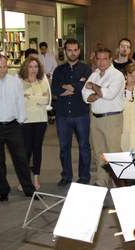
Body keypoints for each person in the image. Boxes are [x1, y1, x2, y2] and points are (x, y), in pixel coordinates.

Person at [0, 54, 36, 201]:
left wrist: (21, 120)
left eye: (5, 66)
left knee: (21, 159)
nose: (3, 70)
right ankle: (3, 189)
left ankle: (29, 189)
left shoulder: (15, 82)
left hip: (13, 126)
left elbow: (20, 102)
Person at [81, 47, 125, 187]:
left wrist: (94, 87)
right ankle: (101, 181)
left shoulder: (117, 75)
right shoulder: (94, 74)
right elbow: (84, 95)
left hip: (112, 119)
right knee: (99, 151)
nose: (101, 62)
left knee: (113, 153)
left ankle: (119, 183)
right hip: (95, 118)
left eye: (104, 59)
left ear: (110, 59)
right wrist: (97, 93)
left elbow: (109, 94)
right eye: (98, 59)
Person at [52, 39, 92, 186]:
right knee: (64, 148)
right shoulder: (58, 70)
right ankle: (66, 176)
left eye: (75, 50)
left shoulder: (86, 69)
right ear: (65, 51)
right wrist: (75, 87)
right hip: (63, 115)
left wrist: (70, 87)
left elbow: (84, 87)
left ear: (79, 51)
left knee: (84, 147)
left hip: (81, 114)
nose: (73, 53)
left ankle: (84, 176)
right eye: (69, 50)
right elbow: (55, 90)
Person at [18, 56, 51, 190]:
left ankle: (36, 177)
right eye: (30, 66)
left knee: (37, 149)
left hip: (41, 119)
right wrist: (38, 98)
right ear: (26, 67)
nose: (33, 69)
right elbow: (20, 101)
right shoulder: (19, 82)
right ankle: (24, 180)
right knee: (26, 151)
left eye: (36, 67)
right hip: (25, 120)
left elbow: (46, 100)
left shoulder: (42, 81)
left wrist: (29, 97)